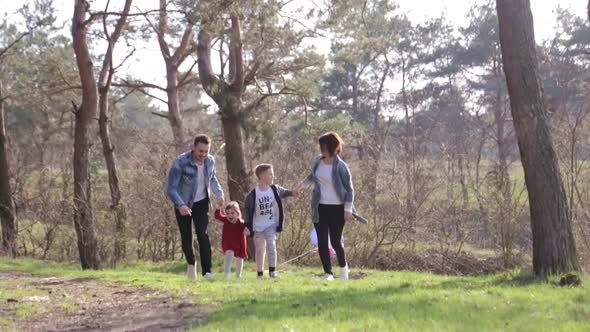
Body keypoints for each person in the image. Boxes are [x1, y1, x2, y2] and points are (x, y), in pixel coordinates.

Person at [296, 132, 354, 281]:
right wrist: (301, 185)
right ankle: (328, 273)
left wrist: (348, 210)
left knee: (335, 241)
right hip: (320, 207)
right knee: (321, 241)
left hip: (337, 208)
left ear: (331, 146)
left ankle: (343, 270)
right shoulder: (318, 162)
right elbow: (312, 176)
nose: (320, 148)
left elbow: (349, 190)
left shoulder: (341, 167)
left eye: (323, 145)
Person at [166, 134, 224, 280]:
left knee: (203, 234)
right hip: (183, 203)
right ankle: (192, 264)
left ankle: (207, 272)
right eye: (200, 151)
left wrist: (219, 194)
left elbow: (212, 179)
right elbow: (171, 188)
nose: (203, 155)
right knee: (186, 238)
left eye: (206, 151)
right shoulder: (181, 162)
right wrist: (180, 205)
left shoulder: (210, 161)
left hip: (202, 202)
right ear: (193, 148)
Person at [244, 164, 297, 278]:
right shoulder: (252, 195)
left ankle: (273, 272)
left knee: (271, 245)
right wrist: (247, 226)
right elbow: (247, 211)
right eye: (270, 174)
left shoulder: (275, 189)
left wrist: (293, 192)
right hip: (258, 226)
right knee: (259, 250)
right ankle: (260, 274)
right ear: (262, 176)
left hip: (271, 224)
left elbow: (285, 192)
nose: (273, 176)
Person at [214, 201, 247, 279]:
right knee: (229, 253)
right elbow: (217, 216)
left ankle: (238, 275)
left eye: (232, 213)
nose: (230, 215)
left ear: (238, 213)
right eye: (228, 213)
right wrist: (219, 207)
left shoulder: (241, 223)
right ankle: (226, 273)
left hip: (239, 244)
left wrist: (247, 230)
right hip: (228, 244)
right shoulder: (225, 220)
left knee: (239, 258)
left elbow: (248, 227)